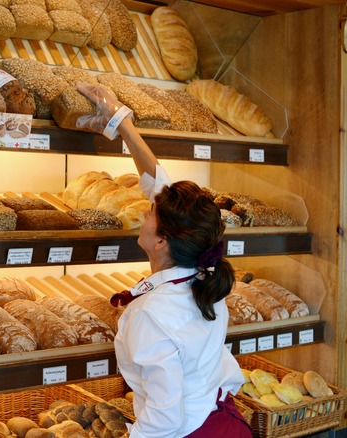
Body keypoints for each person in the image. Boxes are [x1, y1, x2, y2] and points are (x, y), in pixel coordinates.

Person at [76, 82, 252, 438]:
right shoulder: (203, 278)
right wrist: (120, 120)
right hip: (225, 425)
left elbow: (165, 421)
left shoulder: (150, 316)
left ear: (161, 241)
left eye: (150, 213)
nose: (143, 211)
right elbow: (158, 185)